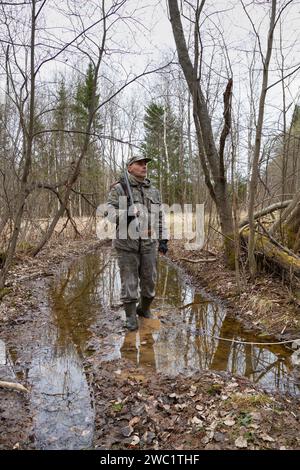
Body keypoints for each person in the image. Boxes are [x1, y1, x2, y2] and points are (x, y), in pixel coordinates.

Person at [106, 155, 168, 331]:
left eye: (145, 164)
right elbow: (109, 213)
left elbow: (160, 216)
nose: (144, 166)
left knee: (150, 282)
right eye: (139, 164)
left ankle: (144, 309)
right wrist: (126, 213)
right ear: (130, 167)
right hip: (126, 243)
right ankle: (131, 317)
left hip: (149, 242)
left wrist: (163, 238)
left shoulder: (153, 190)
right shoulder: (119, 189)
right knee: (130, 282)